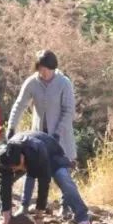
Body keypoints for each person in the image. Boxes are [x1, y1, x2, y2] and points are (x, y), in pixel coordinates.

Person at [7, 51, 77, 213]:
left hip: (61, 134)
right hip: (38, 135)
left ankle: (65, 206)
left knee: (62, 171)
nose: (43, 73)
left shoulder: (64, 83)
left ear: (53, 68)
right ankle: (24, 206)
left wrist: (58, 132)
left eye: (46, 69)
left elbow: (69, 111)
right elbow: (19, 105)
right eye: (40, 69)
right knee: (32, 169)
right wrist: (11, 127)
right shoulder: (32, 82)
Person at [0, 131, 92, 224]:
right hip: (24, 159)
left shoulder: (37, 150)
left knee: (64, 180)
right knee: (1, 183)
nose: (15, 171)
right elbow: (4, 185)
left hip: (51, 155)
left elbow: (44, 183)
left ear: (22, 158)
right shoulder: (3, 158)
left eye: (17, 167)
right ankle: (3, 219)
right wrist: (5, 215)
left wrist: (39, 215)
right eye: (12, 168)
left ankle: (83, 218)